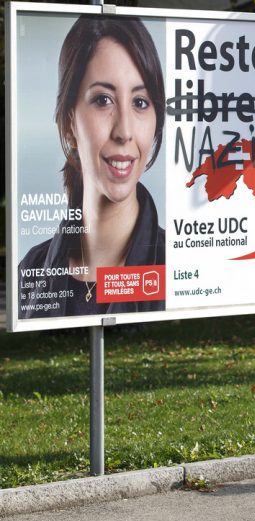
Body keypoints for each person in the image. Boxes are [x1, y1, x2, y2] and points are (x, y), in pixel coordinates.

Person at [18, 15, 166, 318]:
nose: (124, 131)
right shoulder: (32, 269)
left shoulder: (181, 265)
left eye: (140, 102)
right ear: (70, 121)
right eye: (103, 100)